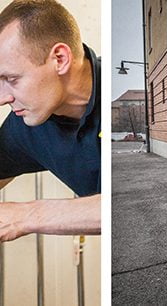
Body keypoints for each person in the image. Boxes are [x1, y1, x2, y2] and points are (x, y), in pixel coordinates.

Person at [0, 0, 100, 242]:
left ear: (60, 59)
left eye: (11, 78)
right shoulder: (23, 125)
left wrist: (24, 215)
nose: (4, 98)